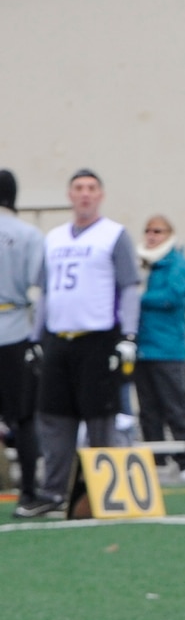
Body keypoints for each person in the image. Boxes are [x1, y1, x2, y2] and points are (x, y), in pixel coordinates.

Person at [29, 170, 140, 515]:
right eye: (79, 188)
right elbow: (46, 291)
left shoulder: (113, 234)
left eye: (91, 188)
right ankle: (54, 492)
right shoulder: (54, 238)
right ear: (70, 195)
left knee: (100, 416)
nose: (85, 194)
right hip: (59, 338)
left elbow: (129, 286)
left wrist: (129, 335)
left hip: (98, 338)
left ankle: (101, 492)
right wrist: (35, 336)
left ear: (100, 195)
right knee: (54, 416)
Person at [135, 213, 185, 481]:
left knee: (176, 407)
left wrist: (139, 298)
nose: (151, 236)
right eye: (148, 231)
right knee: (148, 410)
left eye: (158, 231)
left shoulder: (177, 264)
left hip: (168, 349)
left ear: (169, 234)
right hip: (143, 348)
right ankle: (156, 459)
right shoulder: (144, 265)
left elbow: (173, 297)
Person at [0, 170, 45, 516]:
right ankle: (28, 493)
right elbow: (40, 285)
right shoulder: (29, 234)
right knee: (24, 417)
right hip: (14, 328)